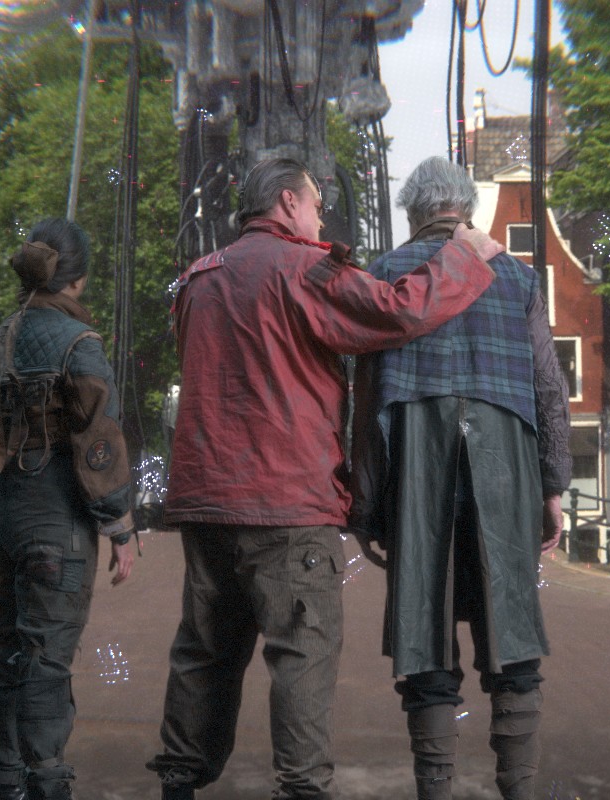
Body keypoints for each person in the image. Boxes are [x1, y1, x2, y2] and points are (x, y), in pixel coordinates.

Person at [148, 157, 508, 800]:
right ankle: (304, 788)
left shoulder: (197, 278)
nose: (321, 220)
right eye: (316, 206)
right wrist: (465, 256)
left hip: (207, 501)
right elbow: (395, 312)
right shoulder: (304, 269)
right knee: (302, 655)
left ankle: (179, 780)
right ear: (288, 202)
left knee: (204, 650)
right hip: (288, 501)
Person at [348, 157, 572, 800]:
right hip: (507, 465)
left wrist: (366, 507)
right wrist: (552, 486)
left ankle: (437, 789)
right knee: (512, 629)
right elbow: (548, 389)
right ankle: (518, 788)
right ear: (465, 209)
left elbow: (364, 404)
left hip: (415, 465)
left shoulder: (383, 275)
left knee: (425, 631)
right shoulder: (518, 277)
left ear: (413, 212)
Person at [0, 218, 137, 800]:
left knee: (7, 650)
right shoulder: (79, 343)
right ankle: (45, 784)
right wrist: (120, 526)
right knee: (46, 660)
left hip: (1, 514)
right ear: (78, 279)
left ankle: (3, 781)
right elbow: (99, 439)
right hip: (54, 518)